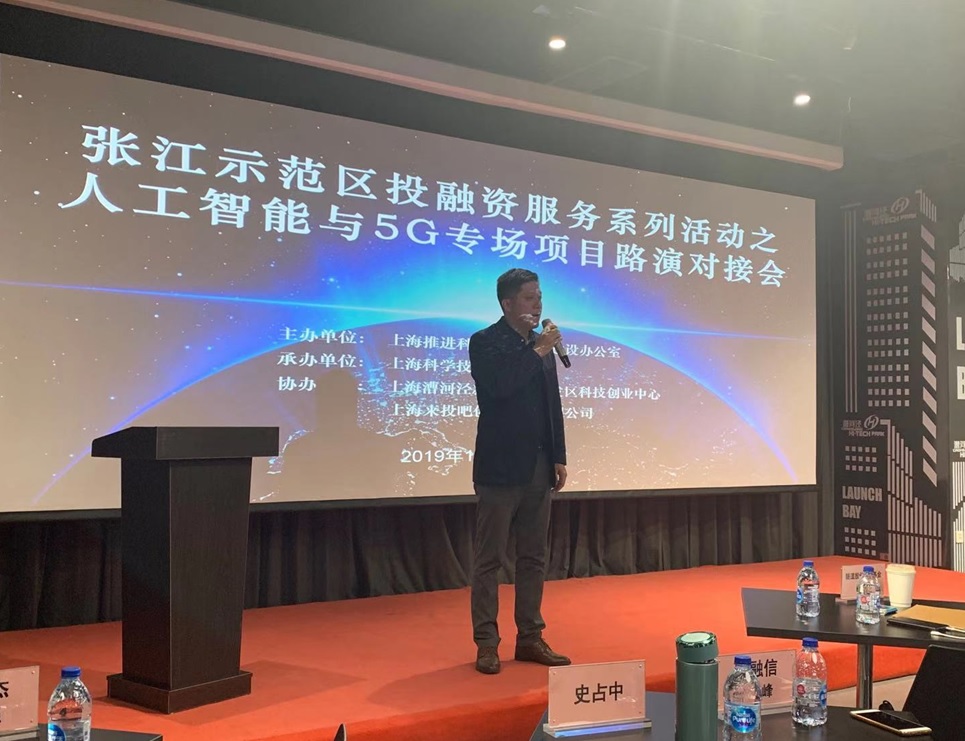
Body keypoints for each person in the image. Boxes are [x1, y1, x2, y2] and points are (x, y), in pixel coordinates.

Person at [469, 268, 570, 675]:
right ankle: (486, 643)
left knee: (533, 557)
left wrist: (559, 455)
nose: (538, 304)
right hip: (499, 467)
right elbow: (499, 388)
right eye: (530, 298)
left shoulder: (539, 345)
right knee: (489, 559)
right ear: (507, 303)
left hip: (539, 467)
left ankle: (530, 636)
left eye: (540, 297)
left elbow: (551, 405)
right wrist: (540, 350)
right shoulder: (485, 342)